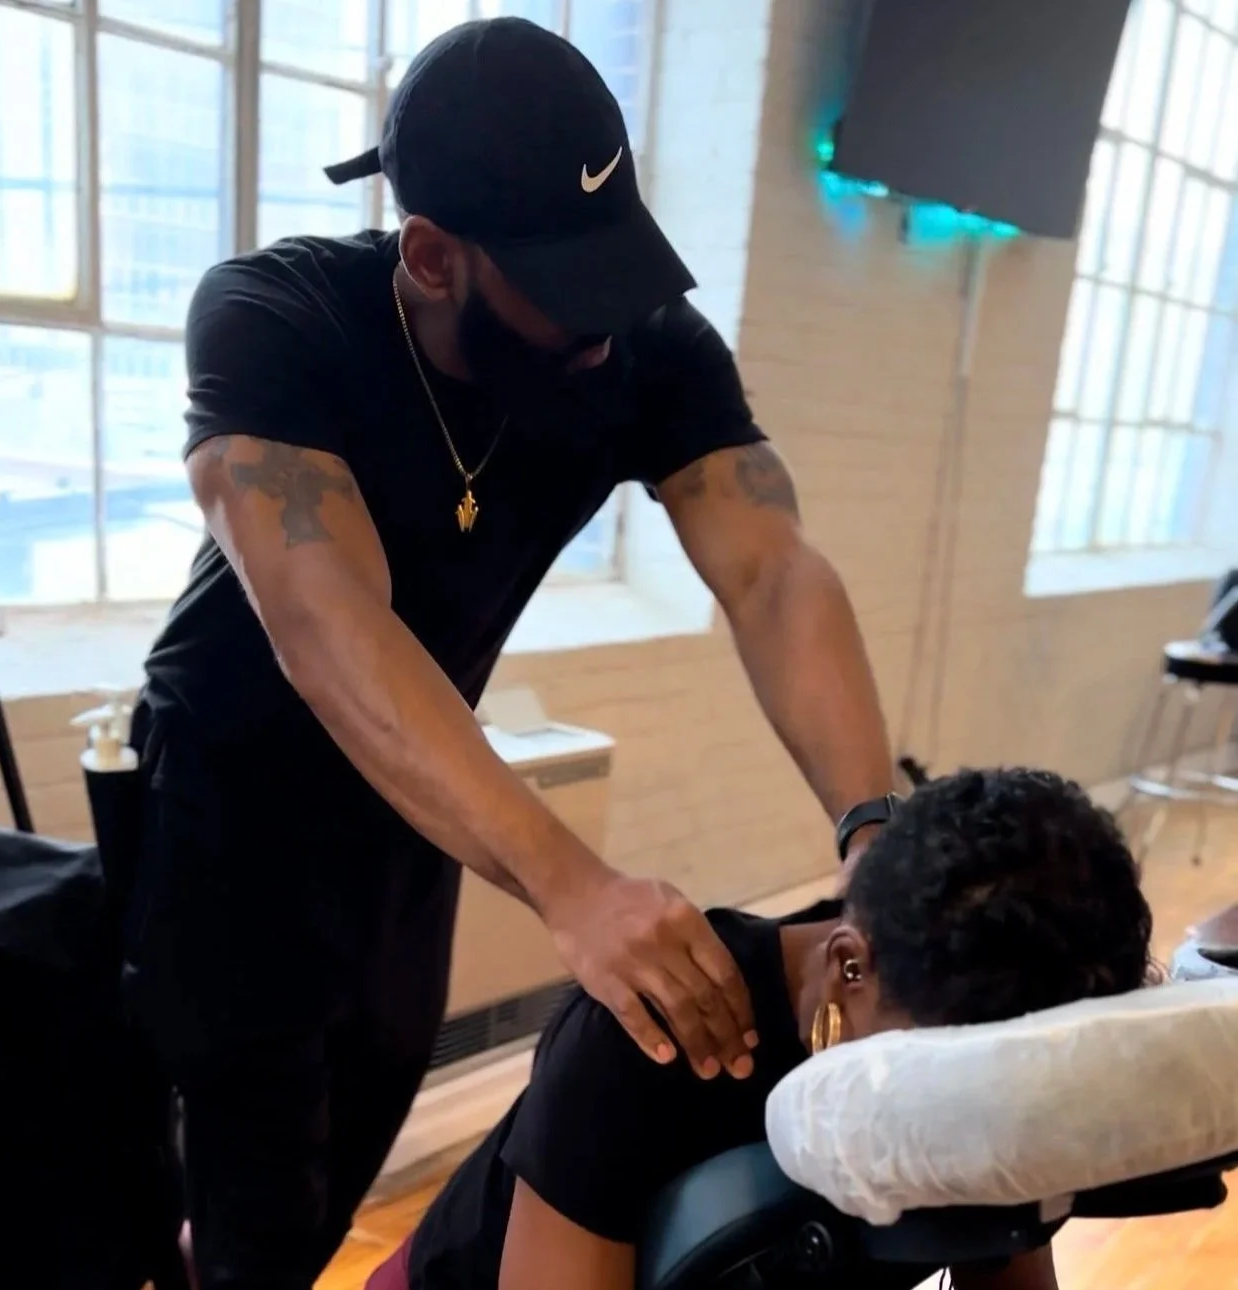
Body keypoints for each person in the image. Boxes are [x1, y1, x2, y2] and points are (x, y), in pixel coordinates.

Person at [126, 16, 895, 1290]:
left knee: (344, 1154)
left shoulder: (643, 345)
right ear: (433, 255)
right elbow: (329, 624)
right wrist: (575, 886)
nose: (602, 334)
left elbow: (770, 570)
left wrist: (874, 828)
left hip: (417, 812)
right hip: (226, 805)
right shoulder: (276, 315)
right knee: (255, 1201)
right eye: (563, 290)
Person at [366, 768, 1155, 1290]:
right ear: (848, 967)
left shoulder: (998, 1046)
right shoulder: (649, 1036)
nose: (969, 1130)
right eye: (951, 1091)